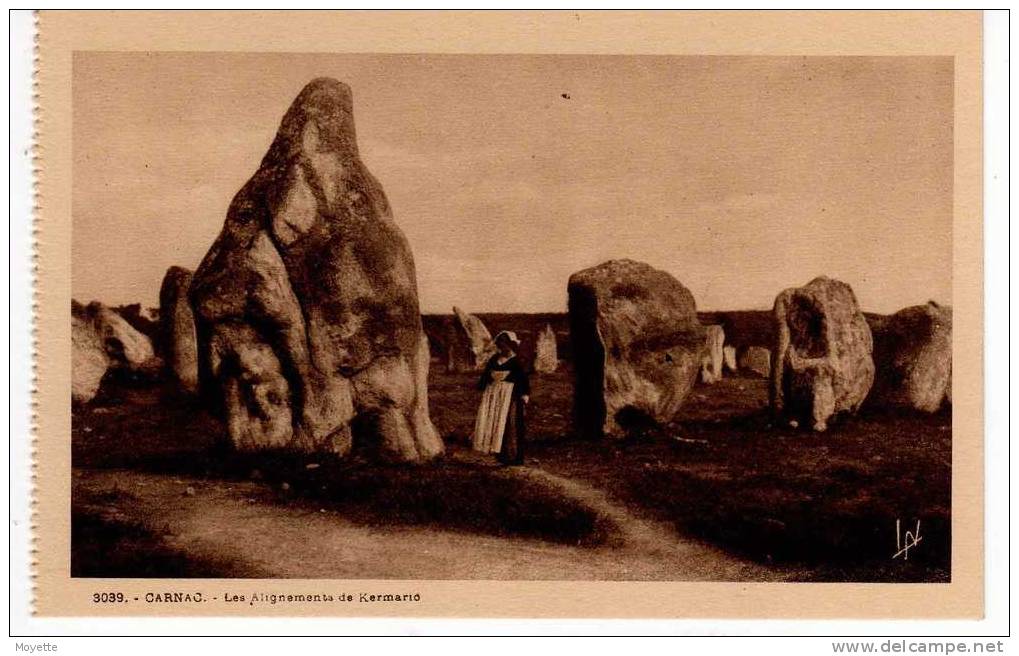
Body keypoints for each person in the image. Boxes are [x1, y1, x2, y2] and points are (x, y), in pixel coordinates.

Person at [472, 330, 530, 465]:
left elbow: (523, 379)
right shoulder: (494, 359)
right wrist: (484, 384)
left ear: (511, 344)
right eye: (500, 344)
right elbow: (486, 374)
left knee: (510, 423)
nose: (502, 346)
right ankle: (501, 455)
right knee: (496, 422)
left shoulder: (517, 361)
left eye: (505, 344)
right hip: (494, 393)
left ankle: (514, 456)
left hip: (510, 395)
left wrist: (524, 393)